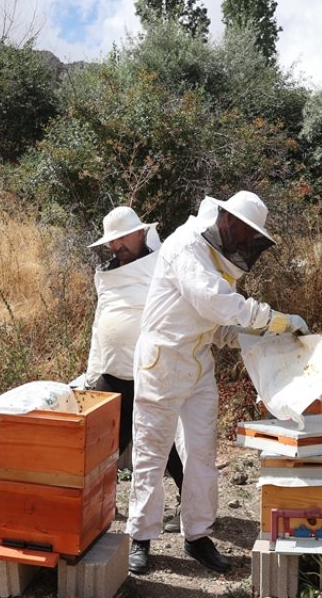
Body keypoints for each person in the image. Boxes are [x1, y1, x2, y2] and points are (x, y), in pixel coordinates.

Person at [126, 190, 308, 575]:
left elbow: (217, 326)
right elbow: (219, 304)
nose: (243, 243)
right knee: (151, 454)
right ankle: (140, 537)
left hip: (197, 366)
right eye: (242, 233)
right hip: (162, 363)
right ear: (226, 221)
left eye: (249, 238)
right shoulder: (185, 247)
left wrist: (266, 340)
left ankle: (197, 536)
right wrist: (277, 320)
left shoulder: (215, 257)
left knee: (202, 456)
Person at [74, 206, 185, 530]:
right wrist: (91, 371)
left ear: (140, 233)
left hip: (150, 370)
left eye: (122, 238)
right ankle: (93, 507)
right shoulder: (106, 272)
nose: (117, 246)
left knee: (163, 444)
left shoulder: (162, 264)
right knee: (105, 445)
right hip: (109, 371)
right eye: (112, 241)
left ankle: (188, 507)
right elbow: (100, 321)